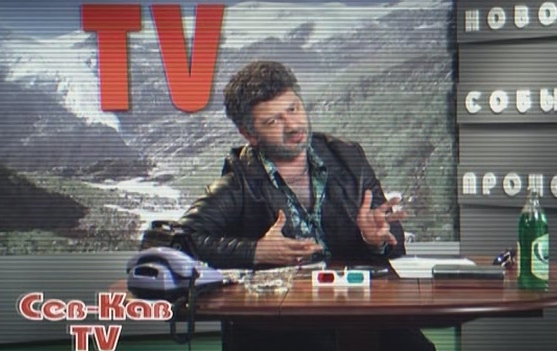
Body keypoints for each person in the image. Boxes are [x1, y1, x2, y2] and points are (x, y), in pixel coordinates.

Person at [178, 61, 436, 351]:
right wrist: (255, 251)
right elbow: (175, 241)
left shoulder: (348, 157)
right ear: (249, 134)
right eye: (273, 121)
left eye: (293, 109)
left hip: (361, 310)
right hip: (282, 325)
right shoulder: (238, 181)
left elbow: (392, 243)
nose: (293, 126)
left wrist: (375, 240)